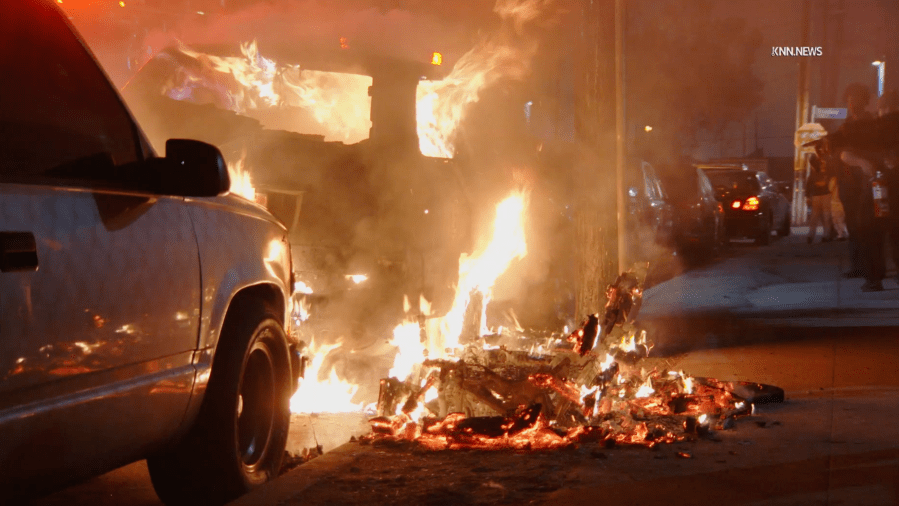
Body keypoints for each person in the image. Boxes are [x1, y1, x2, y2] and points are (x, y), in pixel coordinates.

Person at [805, 155, 832, 244]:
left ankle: (812, 235)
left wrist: (808, 196)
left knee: (815, 217)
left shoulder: (814, 171)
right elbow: (808, 184)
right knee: (825, 216)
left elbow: (808, 185)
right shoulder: (824, 170)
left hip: (818, 195)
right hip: (824, 195)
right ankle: (826, 235)